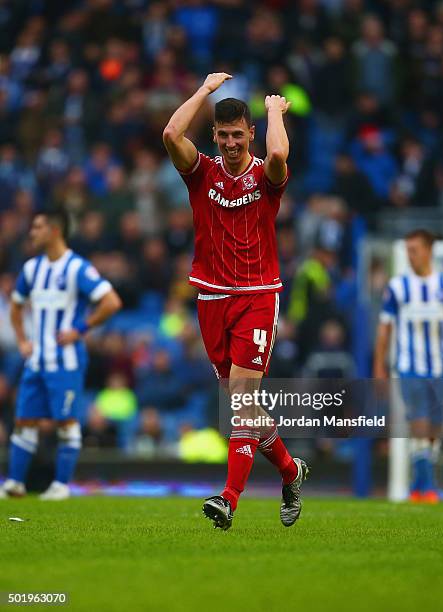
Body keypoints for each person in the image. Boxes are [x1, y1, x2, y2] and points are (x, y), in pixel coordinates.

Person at [163, 72, 309, 530]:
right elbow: (170, 133)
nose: (229, 143)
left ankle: (229, 498)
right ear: (215, 134)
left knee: (242, 401)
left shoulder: (266, 177)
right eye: (222, 135)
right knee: (241, 404)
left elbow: (280, 152)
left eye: (236, 134)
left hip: (257, 297)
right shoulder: (200, 172)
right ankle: (290, 470)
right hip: (210, 297)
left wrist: (272, 111)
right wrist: (205, 91)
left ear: (250, 134)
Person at [0, 210, 121, 500]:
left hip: (66, 361)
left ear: (54, 231)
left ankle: (61, 486)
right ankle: (15, 483)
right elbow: (15, 307)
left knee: (66, 422)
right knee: (25, 421)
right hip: (37, 360)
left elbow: (111, 301)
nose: (32, 233)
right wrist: (22, 341)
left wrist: (80, 328)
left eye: (38, 227)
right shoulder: (31, 269)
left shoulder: (77, 268)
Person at [374, 229, 443, 502]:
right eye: (408, 250)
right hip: (408, 366)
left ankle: (418, 484)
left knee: (436, 427)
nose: (410, 256)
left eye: (414, 250)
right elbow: (384, 329)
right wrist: (379, 365)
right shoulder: (397, 287)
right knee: (420, 421)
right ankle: (427, 489)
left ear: (428, 251)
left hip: (441, 367)